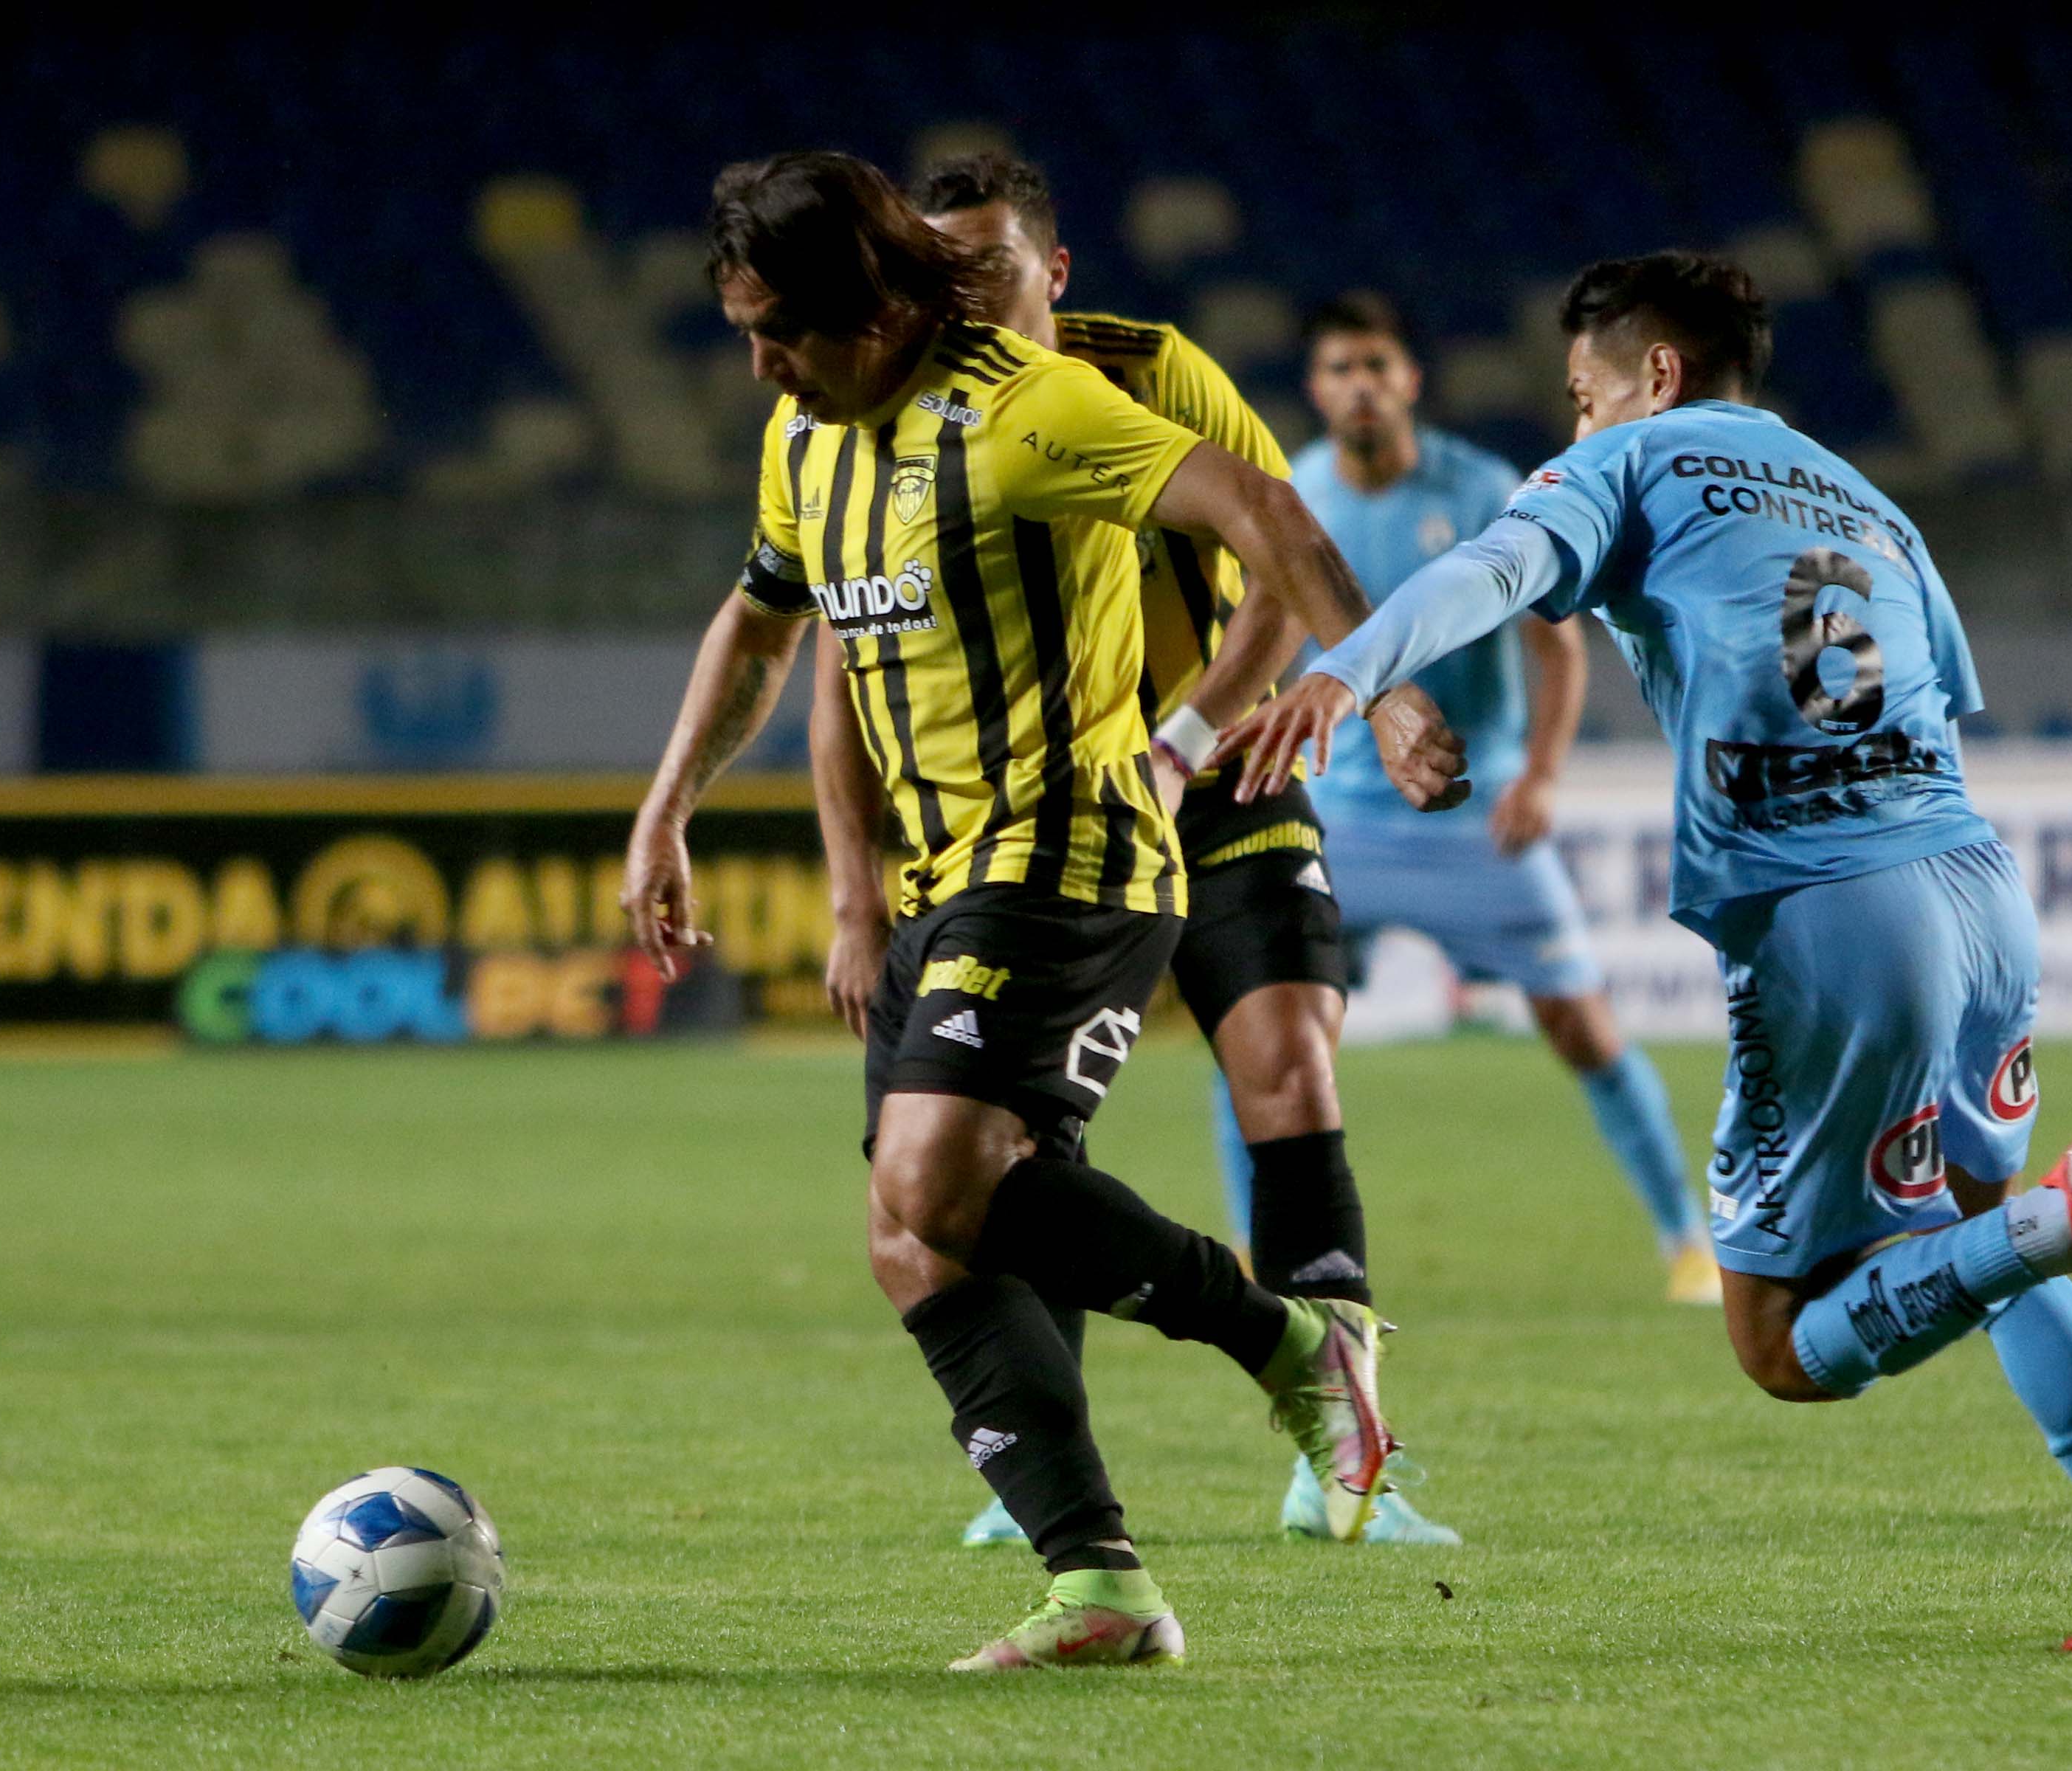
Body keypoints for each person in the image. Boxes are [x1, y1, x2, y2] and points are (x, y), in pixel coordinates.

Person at [1220, 251, 2072, 1652]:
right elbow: (1933, 698)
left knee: (1779, 1344)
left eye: (1583, 396)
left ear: (1651, 377)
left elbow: (1496, 569)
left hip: (1832, 916)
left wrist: (1351, 669)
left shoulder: (1632, 463)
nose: (1576, 425)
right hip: (1973, 886)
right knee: (1981, 1241)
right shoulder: (1862, 495)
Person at [621, 151, 1464, 1671]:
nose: (758, 364)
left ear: (873, 311)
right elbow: (763, 625)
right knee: (915, 1239)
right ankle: (1103, 1589)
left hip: (1073, 849)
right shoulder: (804, 440)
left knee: (939, 1173)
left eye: (780, 331)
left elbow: (1262, 510)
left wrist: (1375, 686)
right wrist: (669, 802)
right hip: (942, 881)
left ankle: (1299, 1349)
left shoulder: (1028, 407)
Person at [835, 150, 1457, 1545]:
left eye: (990, 268)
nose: (964, 295)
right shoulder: (897, 411)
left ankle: (1349, 1453)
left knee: (1291, 1061)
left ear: (1055, 273)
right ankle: (1048, 1468)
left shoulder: (1153, 374)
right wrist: (849, 884)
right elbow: (829, 638)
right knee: (1013, 1137)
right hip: (1043, 812)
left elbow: (1276, 566)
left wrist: (1195, 736)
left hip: (1218, 764)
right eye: (941, 271)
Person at [1277, 293, 1719, 1305]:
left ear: (1409, 381)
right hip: (1340, 819)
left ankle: (1684, 1242)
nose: (1360, 386)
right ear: (1316, 388)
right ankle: (1279, 1258)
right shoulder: (1293, 497)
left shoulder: (1480, 490)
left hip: (1477, 815)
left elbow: (1558, 644)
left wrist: (1542, 772)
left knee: (1583, 1028)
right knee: (1268, 1034)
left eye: (1376, 366)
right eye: (1340, 368)